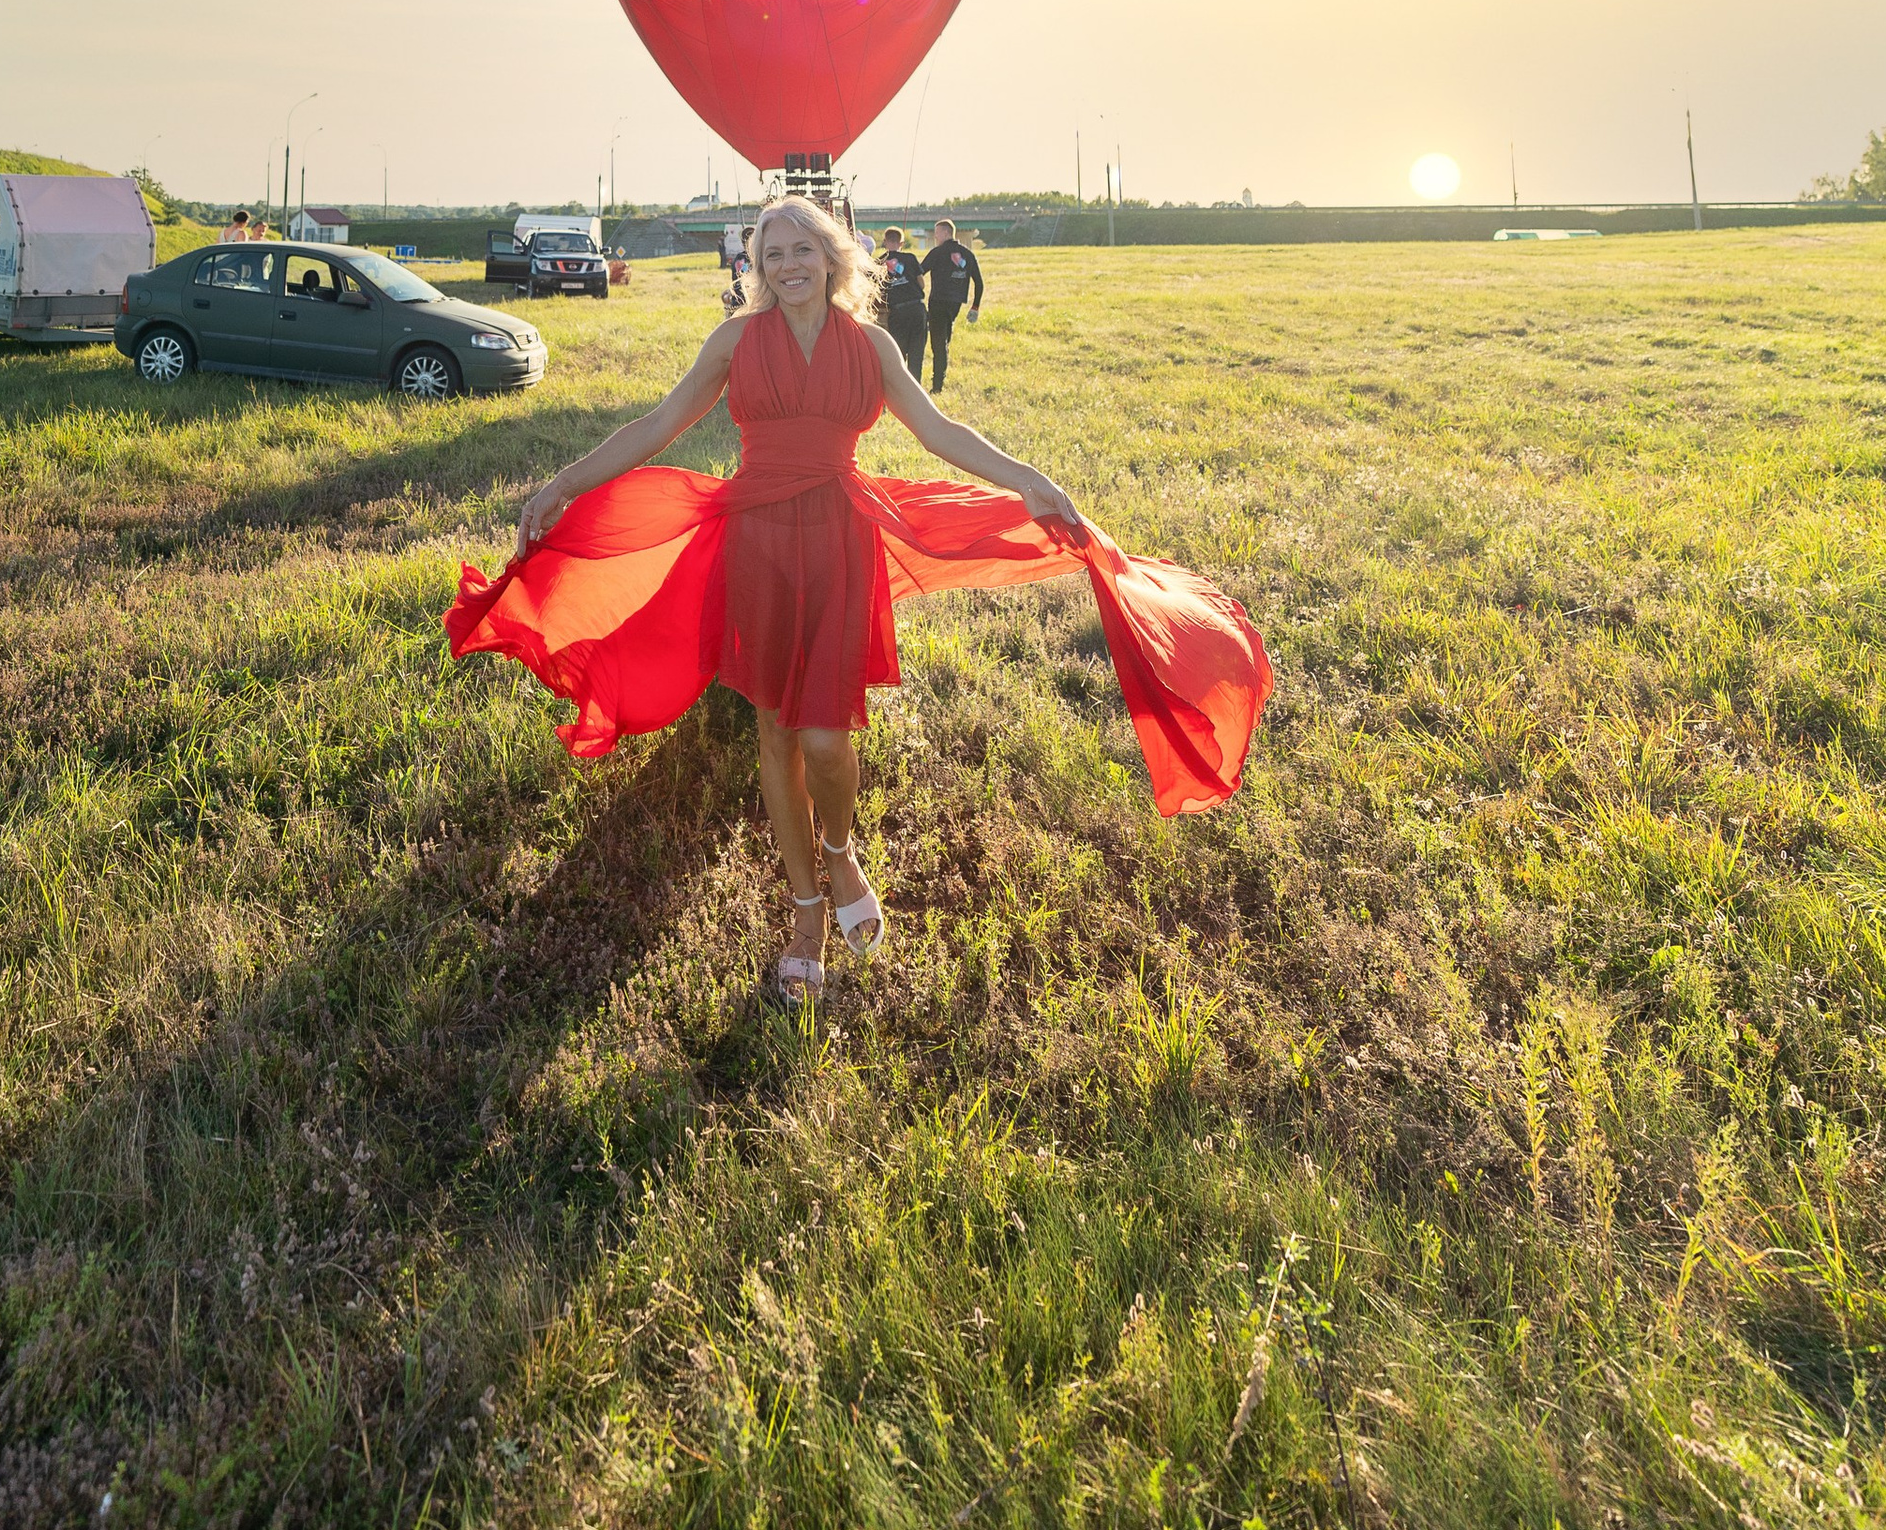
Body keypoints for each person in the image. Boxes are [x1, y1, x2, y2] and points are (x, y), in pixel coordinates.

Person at [448, 199, 1273, 1004]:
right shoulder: (735, 342)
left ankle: (839, 847)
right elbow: (660, 423)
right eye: (771, 255)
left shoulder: (871, 344)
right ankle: (805, 910)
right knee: (776, 728)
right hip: (758, 542)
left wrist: (1028, 479)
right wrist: (564, 483)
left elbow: (938, 429)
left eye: (801, 250)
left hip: (840, 539)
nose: (787, 265)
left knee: (827, 737)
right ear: (756, 268)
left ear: (833, 257)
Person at [921, 217, 984, 392]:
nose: (935, 237)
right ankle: (939, 382)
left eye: (937, 233)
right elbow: (979, 282)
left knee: (938, 344)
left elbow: (919, 271)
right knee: (944, 341)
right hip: (955, 304)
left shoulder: (937, 253)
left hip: (938, 302)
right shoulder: (968, 254)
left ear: (946, 233)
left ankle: (937, 386)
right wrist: (975, 307)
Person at [877, 231, 928, 381]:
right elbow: (922, 284)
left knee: (899, 355)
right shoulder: (910, 258)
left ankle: (900, 389)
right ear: (901, 243)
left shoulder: (879, 262)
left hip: (897, 312)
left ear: (885, 242)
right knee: (916, 355)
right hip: (917, 309)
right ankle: (916, 389)